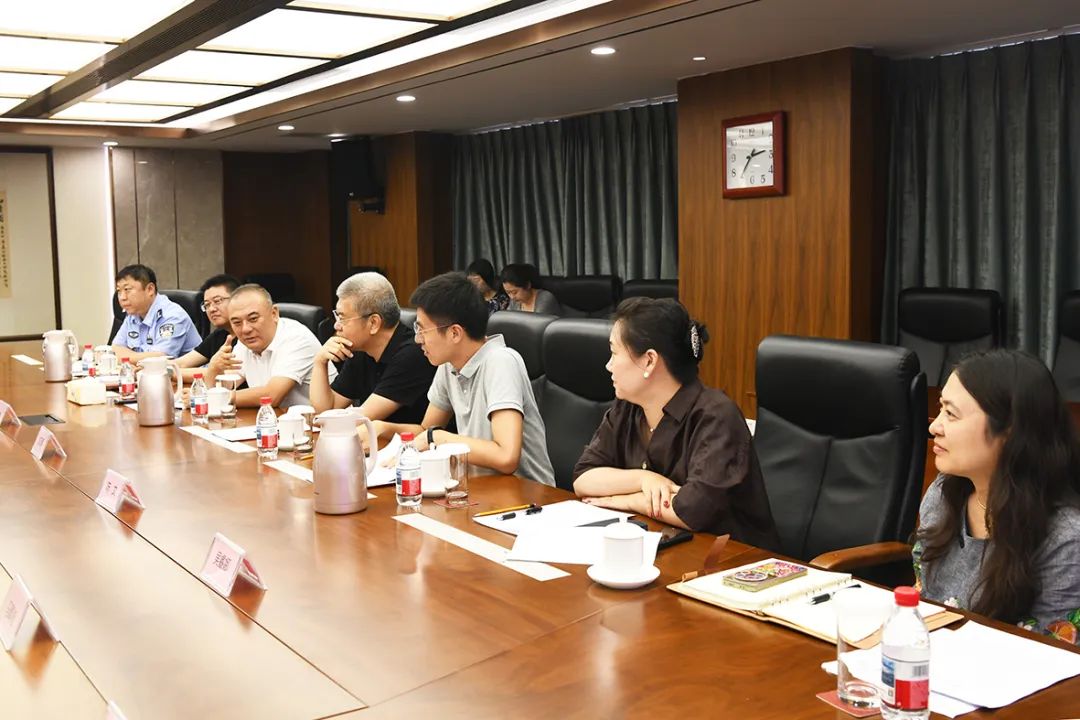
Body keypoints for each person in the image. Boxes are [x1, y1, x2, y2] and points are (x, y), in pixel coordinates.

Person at [572, 297, 780, 549]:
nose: (608, 365)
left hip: (733, 559)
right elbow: (584, 478)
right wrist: (644, 480)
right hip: (665, 547)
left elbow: (691, 510)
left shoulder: (716, 415)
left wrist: (627, 500)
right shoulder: (628, 407)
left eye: (614, 353)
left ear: (649, 360)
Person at [914, 349, 1080, 644]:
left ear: (1010, 432)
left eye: (951, 414)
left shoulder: (1066, 538)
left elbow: (1056, 655)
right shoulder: (943, 494)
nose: (934, 426)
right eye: (940, 409)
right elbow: (921, 598)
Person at [374, 272, 555, 487]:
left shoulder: (501, 362)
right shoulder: (448, 365)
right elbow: (425, 431)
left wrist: (437, 437)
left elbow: (506, 457)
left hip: (529, 495)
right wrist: (382, 428)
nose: (417, 339)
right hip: (482, 492)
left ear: (455, 333)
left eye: (422, 330)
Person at [310, 272, 435, 423]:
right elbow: (327, 410)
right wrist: (319, 362)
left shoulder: (412, 355)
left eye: (342, 318)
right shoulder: (362, 350)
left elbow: (360, 420)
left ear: (373, 323)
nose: (336, 326)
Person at [203, 284, 330, 409]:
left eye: (253, 319)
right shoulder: (246, 341)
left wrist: (216, 398)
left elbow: (272, 395)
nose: (245, 329)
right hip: (273, 417)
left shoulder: (296, 337)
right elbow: (226, 385)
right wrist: (213, 369)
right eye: (237, 322)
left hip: (317, 420)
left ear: (274, 314)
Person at [111, 264, 201, 360]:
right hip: (145, 369)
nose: (122, 297)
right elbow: (116, 348)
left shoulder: (173, 315)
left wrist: (125, 358)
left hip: (187, 370)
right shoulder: (133, 315)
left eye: (127, 290)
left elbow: (160, 358)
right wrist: (130, 359)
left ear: (150, 289)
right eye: (119, 291)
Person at [175, 273, 240, 382]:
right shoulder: (219, 334)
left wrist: (171, 373)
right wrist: (154, 367)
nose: (212, 309)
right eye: (207, 305)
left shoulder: (247, 336)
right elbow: (182, 363)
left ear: (237, 299)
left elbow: (223, 376)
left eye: (217, 301)